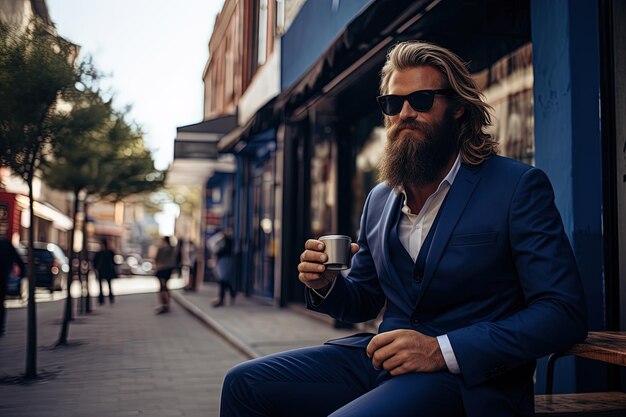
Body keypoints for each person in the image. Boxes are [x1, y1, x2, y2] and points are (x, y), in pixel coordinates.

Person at [220, 41, 588, 417]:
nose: (405, 114)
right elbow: (364, 298)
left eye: (422, 100)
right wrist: (325, 285)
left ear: (459, 108)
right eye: (393, 105)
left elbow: (563, 313)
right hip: (381, 361)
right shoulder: (379, 199)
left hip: (465, 383)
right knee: (243, 383)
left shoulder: (517, 186)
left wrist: (439, 350)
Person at [0, 238, 25, 336]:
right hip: (2, 278)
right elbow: (18, 260)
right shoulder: (5, 244)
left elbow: (18, 260)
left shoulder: (5, 244)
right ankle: (1, 327)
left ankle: (1, 327)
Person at [212, 229, 236, 307]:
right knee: (222, 280)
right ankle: (230, 294)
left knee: (223, 280)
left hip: (225, 261)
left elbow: (222, 250)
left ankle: (223, 298)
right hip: (222, 261)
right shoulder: (223, 241)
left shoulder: (228, 241)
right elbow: (211, 243)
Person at [154, 236, 177, 314]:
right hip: (168, 269)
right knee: (166, 287)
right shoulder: (172, 249)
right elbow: (174, 260)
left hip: (162, 269)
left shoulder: (161, 249)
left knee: (162, 287)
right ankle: (167, 304)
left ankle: (163, 304)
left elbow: (157, 260)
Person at [93, 238, 116, 305]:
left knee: (107, 285)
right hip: (103, 271)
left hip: (104, 270)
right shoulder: (106, 253)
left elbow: (112, 262)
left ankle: (105, 299)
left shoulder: (108, 252)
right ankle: (103, 299)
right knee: (104, 285)